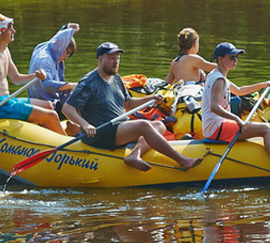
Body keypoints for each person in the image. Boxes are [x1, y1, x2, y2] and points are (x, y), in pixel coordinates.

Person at [62, 42, 205, 172]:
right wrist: (85, 125)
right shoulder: (89, 82)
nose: (115, 62)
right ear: (100, 59)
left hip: (118, 127)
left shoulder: (116, 78)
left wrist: (151, 98)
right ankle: (183, 160)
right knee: (143, 125)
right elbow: (67, 108)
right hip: (101, 132)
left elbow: (128, 103)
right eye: (111, 58)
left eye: (117, 58)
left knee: (159, 126)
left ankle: (135, 155)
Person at [204, 42, 270, 176]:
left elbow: (239, 91)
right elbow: (214, 107)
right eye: (232, 57)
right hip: (217, 128)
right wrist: (236, 119)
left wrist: (264, 84)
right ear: (220, 59)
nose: (236, 60)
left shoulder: (216, 75)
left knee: (261, 127)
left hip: (215, 126)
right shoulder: (219, 80)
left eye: (236, 57)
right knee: (267, 128)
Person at [0, 13, 64, 134]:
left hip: (8, 101)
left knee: (49, 106)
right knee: (52, 115)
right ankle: (68, 148)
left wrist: (36, 76)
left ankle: (46, 137)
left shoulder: (5, 50)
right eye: (10, 28)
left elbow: (16, 78)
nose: (14, 31)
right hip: (0, 107)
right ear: (1, 32)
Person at [27, 22, 80, 116]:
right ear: (62, 46)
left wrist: (66, 28)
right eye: (67, 53)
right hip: (47, 104)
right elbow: (47, 84)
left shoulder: (45, 47)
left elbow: (57, 38)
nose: (66, 57)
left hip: (49, 100)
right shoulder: (45, 60)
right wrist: (71, 85)